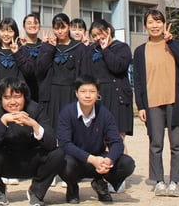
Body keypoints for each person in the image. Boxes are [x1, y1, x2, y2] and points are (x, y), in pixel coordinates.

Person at [0, 78, 64, 206]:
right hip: (5, 160)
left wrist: (34, 125)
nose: (12, 102)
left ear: (25, 97)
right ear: (0, 98)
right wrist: (3, 121)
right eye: (7, 98)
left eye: (17, 97)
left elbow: (52, 143)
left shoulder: (35, 109)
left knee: (58, 154)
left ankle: (36, 192)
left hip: (31, 160)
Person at [133, 9, 179, 197]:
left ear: (164, 24)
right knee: (156, 143)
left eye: (158, 22)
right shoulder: (140, 51)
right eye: (150, 22)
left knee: (177, 144)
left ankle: (174, 181)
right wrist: (141, 105)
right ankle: (158, 181)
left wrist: (171, 42)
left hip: (175, 100)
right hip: (152, 102)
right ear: (145, 26)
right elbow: (138, 80)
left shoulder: (174, 44)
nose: (155, 25)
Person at [57, 75, 136, 204]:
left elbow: (117, 142)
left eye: (92, 91)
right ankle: (72, 187)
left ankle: (100, 183)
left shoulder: (104, 113)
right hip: (76, 160)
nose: (87, 95)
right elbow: (65, 144)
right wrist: (91, 159)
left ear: (98, 93)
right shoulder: (67, 112)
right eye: (83, 91)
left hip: (100, 160)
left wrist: (109, 160)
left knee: (127, 163)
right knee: (63, 163)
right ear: (76, 93)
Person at [82, 19, 133, 142]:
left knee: (117, 139)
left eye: (100, 34)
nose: (97, 38)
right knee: (99, 139)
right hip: (100, 97)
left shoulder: (122, 47)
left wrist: (105, 50)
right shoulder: (92, 50)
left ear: (108, 31)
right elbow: (86, 73)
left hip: (117, 98)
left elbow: (118, 67)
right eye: (94, 36)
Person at [36, 13, 87, 133]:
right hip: (51, 93)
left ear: (68, 26)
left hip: (71, 93)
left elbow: (84, 73)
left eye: (62, 27)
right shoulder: (47, 46)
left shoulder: (79, 47)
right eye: (56, 28)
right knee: (51, 128)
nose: (59, 31)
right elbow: (40, 69)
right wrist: (50, 48)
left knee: (70, 128)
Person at [20, 13, 42, 102]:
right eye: (29, 23)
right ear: (24, 27)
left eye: (35, 23)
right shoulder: (17, 46)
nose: (33, 25)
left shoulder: (45, 46)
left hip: (41, 90)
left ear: (39, 26)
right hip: (22, 89)